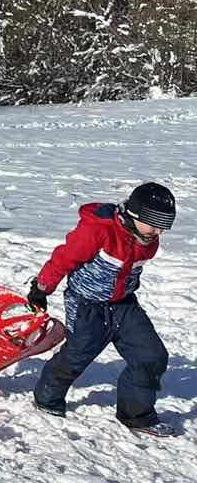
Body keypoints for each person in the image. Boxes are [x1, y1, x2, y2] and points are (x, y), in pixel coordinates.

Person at [30, 183, 176, 434]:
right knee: (77, 354)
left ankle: (136, 415)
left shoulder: (147, 237)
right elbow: (64, 258)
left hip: (124, 305)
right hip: (87, 305)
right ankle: (47, 397)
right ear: (136, 215)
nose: (159, 232)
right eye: (155, 224)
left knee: (151, 355)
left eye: (164, 226)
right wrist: (41, 288)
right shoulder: (98, 231)